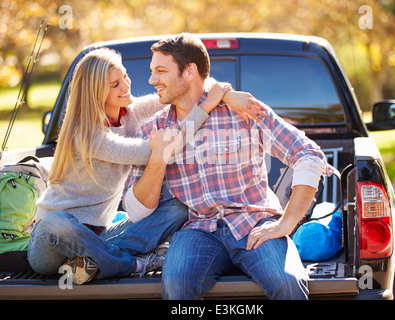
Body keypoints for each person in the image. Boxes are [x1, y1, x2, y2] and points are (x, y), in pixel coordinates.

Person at [28, 47, 265, 285]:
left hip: (100, 235)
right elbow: (161, 151)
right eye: (115, 84)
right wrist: (205, 108)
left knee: (178, 206)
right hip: (50, 244)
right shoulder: (87, 135)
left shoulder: (131, 113)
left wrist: (225, 94)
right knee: (57, 221)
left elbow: (188, 85)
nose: (126, 85)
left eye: (125, 76)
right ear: (95, 91)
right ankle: (131, 264)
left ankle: (94, 262)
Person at [124, 33, 334, 300]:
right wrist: (158, 158)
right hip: (198, 228)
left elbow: (308, 153)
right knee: (177, 283)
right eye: (152, 71)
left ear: (190, 72)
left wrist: (286, 223)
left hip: (253, 221)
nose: (152, 80)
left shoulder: (242, 111)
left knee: (288, 282)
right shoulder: (154, 129)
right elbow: (136, 211)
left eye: (161, 71)